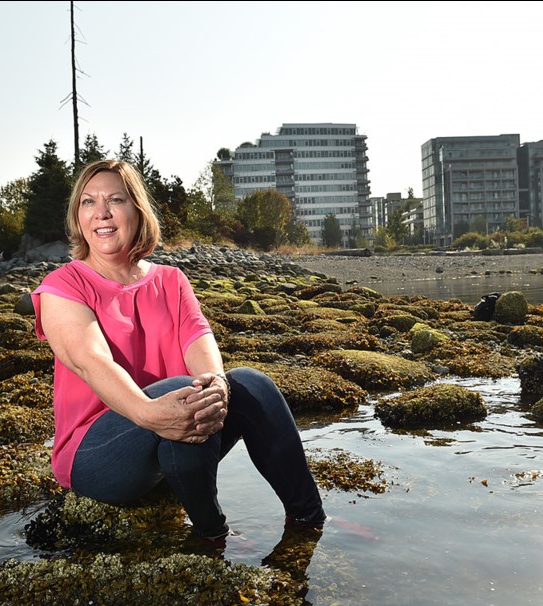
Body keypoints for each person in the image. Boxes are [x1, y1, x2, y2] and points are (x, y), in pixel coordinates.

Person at [31, 159, 327, 542]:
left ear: (137, 210)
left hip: (175, 440)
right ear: (78, 215)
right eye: (88, 202)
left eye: (115, 200)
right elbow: (90, 361)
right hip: (100, 457)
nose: (101, 213)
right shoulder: (63, 285)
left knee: (251, 384)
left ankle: (311, 520)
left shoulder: (171, 280)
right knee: (184, 390)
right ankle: (213, 533)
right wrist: (149, 412)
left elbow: (197, 337)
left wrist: (218, 384)